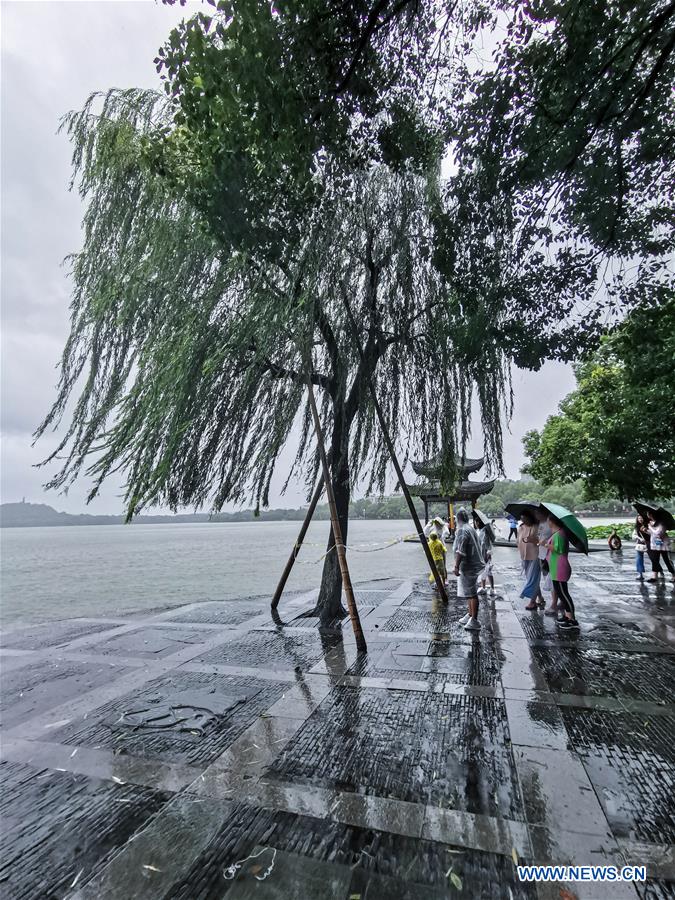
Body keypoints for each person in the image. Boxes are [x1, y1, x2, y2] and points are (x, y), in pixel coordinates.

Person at [453, 507, 485, 631]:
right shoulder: (470, 528)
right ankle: (470, 614)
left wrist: (456, 566)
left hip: (468, 566)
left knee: (472, 593)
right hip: (472, 565)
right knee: (469, 592)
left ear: (458, 519)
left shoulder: (462, 530)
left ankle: (475, 620)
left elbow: (460, 551)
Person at [546, 514, 578, 630]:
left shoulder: (560, 534)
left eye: (548, 520)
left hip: (560, 567)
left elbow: (558, 549)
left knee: (564, 594)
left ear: (552, 521)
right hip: (555, 567)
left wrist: (546, 544)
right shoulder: (557, 533)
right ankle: (567, 616)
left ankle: (572, 619)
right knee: (560, 593)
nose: (547, 522)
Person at [518, 510, 542, 610]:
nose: (523, 521)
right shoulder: (521, 527)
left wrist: (535, 541)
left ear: (530, 518)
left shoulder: (537, 527)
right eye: (521, 519)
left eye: (525, 519)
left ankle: (532, 602)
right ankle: (540, 597)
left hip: (535, 556)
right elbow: (518, 541)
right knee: (531, 578)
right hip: (524, 556)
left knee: (533, 578)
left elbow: (542, 542)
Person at [536, 509, 558, 615]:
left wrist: (544, 543)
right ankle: (556, 602)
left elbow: (555, 543)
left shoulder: (550, 525)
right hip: (541, 555)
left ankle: (554, 604)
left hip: (549, 556)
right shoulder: (539, 524)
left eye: (537, 512)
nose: (536, 515)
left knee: (552, 580)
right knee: (547, 579)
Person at [647, 513, 675, 582]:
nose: (648, 516)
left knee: (667, 560)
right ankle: (655, 576)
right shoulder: (652, 523)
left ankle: (674, 575)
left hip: (663, 545)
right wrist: (646, 530)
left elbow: (658, 533)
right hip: (655, 544)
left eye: (649, 514)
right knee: (655, 560)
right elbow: (652, 533)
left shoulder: (662, 523)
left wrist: (650, 527)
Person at [474, 513, 495, 594]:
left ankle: (490, 588)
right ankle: (484, 588)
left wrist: (488, 553)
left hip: (485, 553)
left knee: (487, 570)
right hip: (481, 553)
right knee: (484, 571)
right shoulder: (480, 531)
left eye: (476, 522)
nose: (475, 524)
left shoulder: (484, 531)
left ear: (479, 522)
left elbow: (487, 544)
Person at [633, 514, 648, 581]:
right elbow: (633, 535)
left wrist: (646, 531)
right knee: (639, 558)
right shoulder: (637, 527)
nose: (640, 519)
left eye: (641, 518)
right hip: (640, 544)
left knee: (654, 559)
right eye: (639, 518)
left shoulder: (648, 525)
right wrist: (639, 538)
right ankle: (640, 573)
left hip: (649, 544)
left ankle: (659, 571)